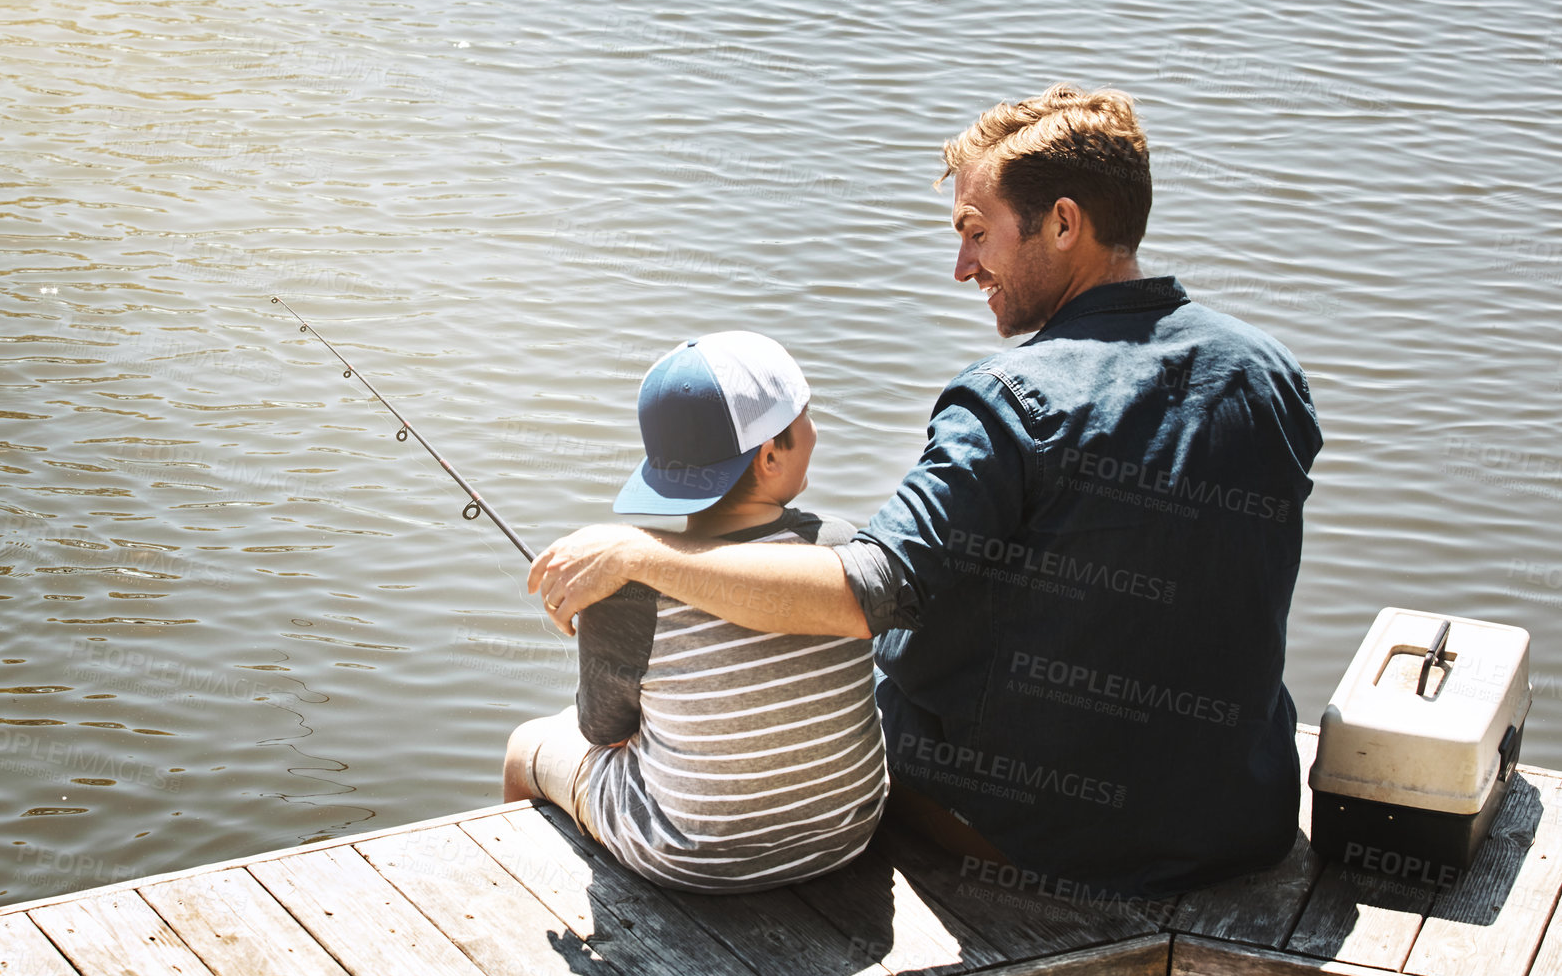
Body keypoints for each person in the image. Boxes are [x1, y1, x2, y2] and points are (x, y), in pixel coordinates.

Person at [528, 84, 1322, 899]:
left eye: (976, 235)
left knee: (819, 678)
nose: (961, 268)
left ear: (1061, 222)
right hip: (1239, 815)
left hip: (1044, 837)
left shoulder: (1009, 399)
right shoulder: (1265, 371)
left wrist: (639, 553)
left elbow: (861, 592)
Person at [503, 331, 888, 893]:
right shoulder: (841, 550)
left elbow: (603, 731)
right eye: (805, 418)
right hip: (845, 834)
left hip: (691, 859)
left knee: (525, 747)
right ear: (770, 455)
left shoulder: (626, 584)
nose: (815, 431)